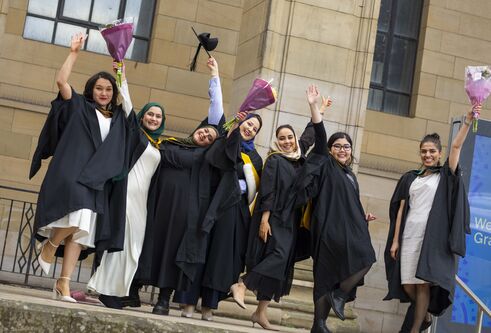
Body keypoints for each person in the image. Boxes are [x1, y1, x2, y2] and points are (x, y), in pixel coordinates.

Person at [29, 33, 128, 302]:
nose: (104, 93)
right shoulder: (79, 106)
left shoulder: (119, 117)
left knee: (82, 231)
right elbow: (61, 81)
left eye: (108, 89)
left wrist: (120, 70)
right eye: (99, 88)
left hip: (98, 177)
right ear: (91, 90)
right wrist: (73, 52)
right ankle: (50, 245)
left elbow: (130, 108)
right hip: (73, 171)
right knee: (80, 214)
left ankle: (63, 283)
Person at [131, 57, 227, 316]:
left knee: (173, 253)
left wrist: (215, 77)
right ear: (196, 130)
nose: (205, 135)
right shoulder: (170, 143)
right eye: (204, 131)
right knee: (148, 244)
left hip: (184, 213)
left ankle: (163, 299)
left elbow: (217, 114)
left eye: (210, 137)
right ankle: (132, 291)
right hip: (156, 205)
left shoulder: (207, 158)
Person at [384, 106, 476, 333]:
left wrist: (468, 121)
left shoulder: (445, 175)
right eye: (424, 151)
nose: (428, 155)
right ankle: (424, 317)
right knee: (408, 285)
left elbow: (456, 146)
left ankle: (415, 329)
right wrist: (395, 241)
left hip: (430, 238)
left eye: (432, 151)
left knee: (423, 282)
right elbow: (401, 210)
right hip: (409, 235)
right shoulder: (411, 178)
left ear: (439, 153)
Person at [229, 112, 324, 330]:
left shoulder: (298, 159)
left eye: (289, 137)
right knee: (278, 257)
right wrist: (264, 219)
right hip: (275, 217)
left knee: (279, 268)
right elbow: (267, 191)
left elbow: (309, 137)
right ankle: (242, 283)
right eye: (282, 138)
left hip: (292, 220)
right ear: (276, 141)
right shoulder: (275, 160)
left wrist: (318, 111)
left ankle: (260, 313)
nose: (287, 141)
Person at [297, 85, 376, 333]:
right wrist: (314, 107)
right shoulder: (326, 164)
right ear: (330, 150)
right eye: (338, 146)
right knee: (365, 255)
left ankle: (318, 325)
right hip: (328, 227)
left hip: (346, 226)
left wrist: (360, 216)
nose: (343, 150)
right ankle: (340, 295)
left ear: (351, 152)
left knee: (326, 276)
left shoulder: (350, 175)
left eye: (347, 146)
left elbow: (347, 202)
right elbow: (320, 135)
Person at [86, 62, 165, 309]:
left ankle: (118, 290)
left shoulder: (160, 144)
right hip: (127, 195)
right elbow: (127, 101)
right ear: (143, 117)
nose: (153, 118)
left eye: (158, 116)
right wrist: (120, 72)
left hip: (142, 202)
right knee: (120, 243)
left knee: (134, 247)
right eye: (150, 114)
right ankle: (104, 288)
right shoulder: (135, 134)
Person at [172, 111, 263, 321]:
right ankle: (188, 301)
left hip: (232, 210)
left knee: (219, 258)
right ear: (240, 122)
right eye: (248, 124)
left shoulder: (255, 158)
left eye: (254, 129)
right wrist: (229, 135)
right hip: (208, 204)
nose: (249, 129)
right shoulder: (221, 142)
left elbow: (249, 189)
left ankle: (209, 306)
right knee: (199, 252)